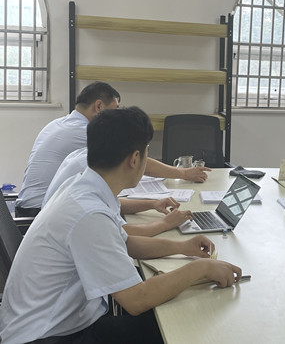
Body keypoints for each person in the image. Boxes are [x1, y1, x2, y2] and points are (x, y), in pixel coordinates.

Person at [0, 107, 242, 344]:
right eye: (147, 153)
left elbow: (126, 243)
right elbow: (136, 300)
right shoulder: (88, 213)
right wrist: (201, 268)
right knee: (177, 324)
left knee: (171, 316)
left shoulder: (83, 186)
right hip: (48, 336)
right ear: (135, 159)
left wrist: (182, 247)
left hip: (61, 322)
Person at [16, 81, 210, 217]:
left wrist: (152, 204)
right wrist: (183, 173)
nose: (117, 116)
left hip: (36, 205)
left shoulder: (60, 123)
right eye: (115, 109)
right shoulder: (84, 131)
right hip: (39, 211)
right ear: (99, 106)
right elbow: (136, 156)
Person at [42, 147, 193, 237]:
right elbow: (124, 234)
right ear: (134, 159)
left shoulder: (89, 177)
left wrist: (152, 204)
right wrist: (165, 223)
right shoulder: (90, 212)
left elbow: (115, 208)